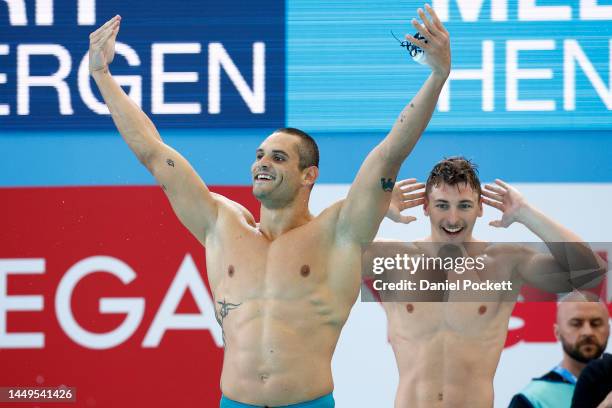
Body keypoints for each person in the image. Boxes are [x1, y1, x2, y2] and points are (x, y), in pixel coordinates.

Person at [87, 5, 451, 407]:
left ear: (308, 175)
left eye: (278, 158)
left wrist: (437, 76)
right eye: (260, 155)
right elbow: (154, 153)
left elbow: (388, 156)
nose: (262, 163)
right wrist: (103, 76)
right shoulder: (220, 223)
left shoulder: (340, 231)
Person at [375, 157, 607, 408]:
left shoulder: (505, 263)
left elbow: (589, 271)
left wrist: (527, 214)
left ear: (480, 207)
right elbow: (331, 251)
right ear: (425, 207)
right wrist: (374, 209)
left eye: (464, 205)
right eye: (442, 205)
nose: (453, 219)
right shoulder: (394, 259)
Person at [509, 291, 610, 408]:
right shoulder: (532, 399)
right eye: (576, 324)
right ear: (557, 332)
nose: (588, 332)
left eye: (596, 323)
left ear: (609, 330)